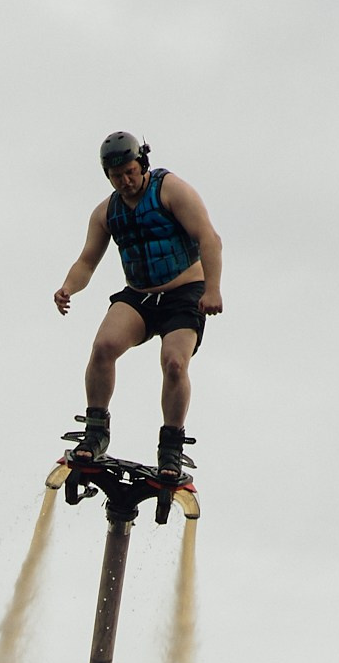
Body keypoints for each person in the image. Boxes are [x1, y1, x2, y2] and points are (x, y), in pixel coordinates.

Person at [54, 129, 224, 491]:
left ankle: (171, 447)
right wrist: (68, 287)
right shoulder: (106, 212)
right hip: (140, 296)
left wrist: (212, 288)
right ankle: (96, 431)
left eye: (130, 172)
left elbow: (209, 237)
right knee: (103, 348)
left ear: (141, 164)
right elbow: (87, 261)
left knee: (175, 362)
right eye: (117, 176)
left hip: (185, 292)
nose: (126, 181)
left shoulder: (170, 189)